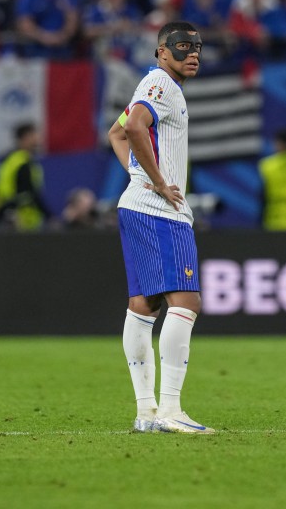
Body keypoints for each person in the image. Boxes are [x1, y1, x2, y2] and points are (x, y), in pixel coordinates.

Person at [106, 21, 214, 435]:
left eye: (197, 47)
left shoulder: (156, 85)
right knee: (186, 302)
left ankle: (146, 412)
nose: (193, 53)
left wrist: (140, 177)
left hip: (137, 207)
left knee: (145, 306)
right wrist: (156, 181)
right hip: (161, 212)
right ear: (161, 51)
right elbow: (132, 128)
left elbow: (116, 133)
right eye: (182, 46)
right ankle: (170, 409)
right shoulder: (161, 84)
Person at [0, 123, 51, 231]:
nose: (38, 139)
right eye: (34, 135)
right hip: (22, 222)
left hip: (8, 216)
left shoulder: (9, 160)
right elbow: (29, 193)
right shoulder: (22, 162)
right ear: (26, 137)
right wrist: (50, 216)